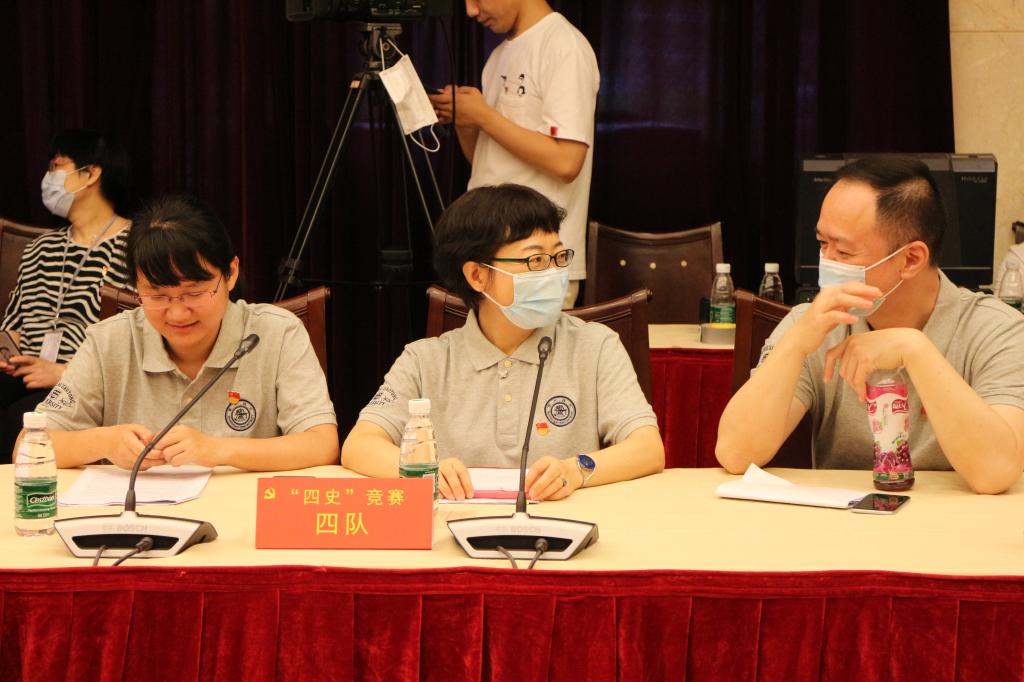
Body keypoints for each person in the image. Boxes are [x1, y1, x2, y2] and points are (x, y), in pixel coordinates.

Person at [715, 156, 1024, 494]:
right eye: (822, 244)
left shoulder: (997, 329)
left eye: (844, 252)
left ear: (911, 259)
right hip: (845, 518)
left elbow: (995, 473)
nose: (827, 261)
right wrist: (795, 344)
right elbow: (735, 453)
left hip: (956, 522)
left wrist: (914, 349)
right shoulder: (813, 325)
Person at [342, 184, 663, 500]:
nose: (554, 272)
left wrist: (575, 470)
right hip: (453, 526)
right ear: (477, 276)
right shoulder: (425, 360)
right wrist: (426, 471)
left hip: (566, 523)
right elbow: (359, 445)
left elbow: (647, 447)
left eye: (559, 256)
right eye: (536, 260)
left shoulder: (596, 346)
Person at [31, 194, 339, 471]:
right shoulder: (108, 341)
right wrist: (103, 442)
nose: (177, 313)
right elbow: (30, 446)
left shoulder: (276, 332)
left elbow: (322, 444)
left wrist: (219, 450)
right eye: (158, 296)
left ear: (230, 274)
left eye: (194, 293)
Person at [428, 0, 599, 308]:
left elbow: (567, 162)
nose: (470, 11)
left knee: (534, 343)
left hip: (536, 260)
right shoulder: (499, 55)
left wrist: (483, 116)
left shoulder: (563, 46)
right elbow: (486, 162)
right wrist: (465, 121)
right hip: (485, 251)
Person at [0, 129, 135, 462]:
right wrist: (5, 354)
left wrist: (63, 371)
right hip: (23, 374)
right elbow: (13, 326)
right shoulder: (40, 248)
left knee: (21, 420)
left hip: (83, 381)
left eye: (56, 166)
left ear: (91, 174)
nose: (48, 177)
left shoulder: (135, 246)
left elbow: (138, 336)